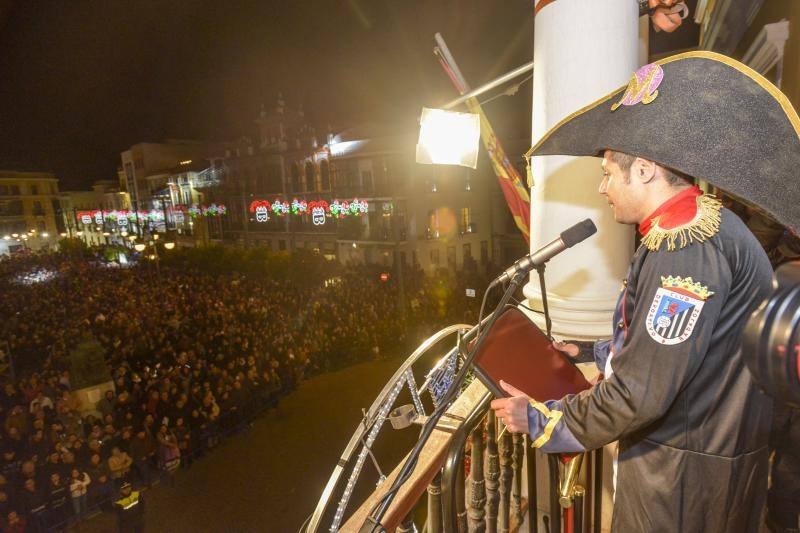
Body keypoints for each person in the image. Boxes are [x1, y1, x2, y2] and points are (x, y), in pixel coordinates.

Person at [491, 51, 800, 532]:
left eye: (609, 172)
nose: (602, 186)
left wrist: (542, 421)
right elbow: (688, 346)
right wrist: (595, 351)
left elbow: (641, 393)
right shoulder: (702, 227)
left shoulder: (685, 247)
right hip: (706, 464)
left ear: (646, 170)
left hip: (681, 482)